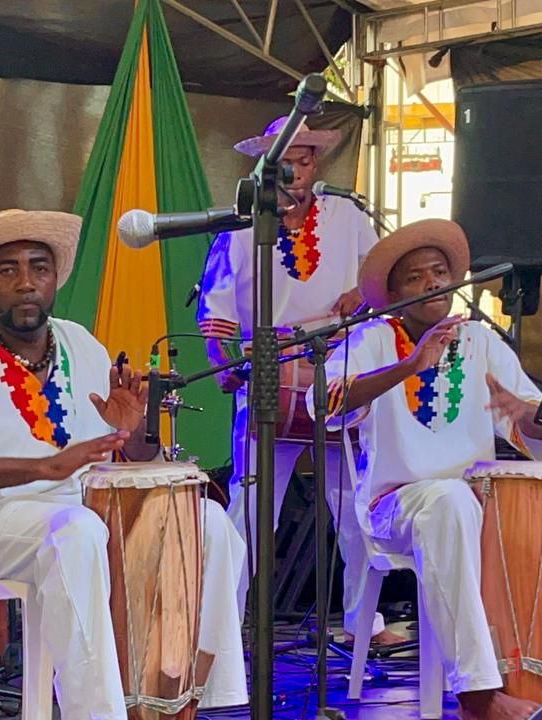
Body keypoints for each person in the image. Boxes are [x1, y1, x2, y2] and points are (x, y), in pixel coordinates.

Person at [0, 209, 248, 719]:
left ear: (54, 277)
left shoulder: (79, 343)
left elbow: (128, 459)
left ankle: (194, 700)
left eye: (39, 268)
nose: (26, 283)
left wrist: (133, 431)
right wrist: (44, 468)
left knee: (209, 523)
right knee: (77, 532)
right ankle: (98, 712)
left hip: (92, 513)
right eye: (8, 270)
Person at [320, 219, 542, 720]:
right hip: (396, 504)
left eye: (440, 271)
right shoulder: (369, 339)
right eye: (416, 276)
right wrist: (409, 366)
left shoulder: (480, 341)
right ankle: (479, 693)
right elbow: (324, 403)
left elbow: (533, 424)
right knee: (450, 502)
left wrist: (531, 419)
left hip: (480, 504)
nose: (434, 282)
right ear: (391, 293)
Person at [196, 116, 399, 644]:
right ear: (266, 166)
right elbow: (216, 313)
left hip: (340, 370)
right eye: (288, 161)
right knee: (252, 506)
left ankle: (362, 623)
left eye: (307, 159)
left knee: (355, 503)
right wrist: (228, 364)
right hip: (270, 370)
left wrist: (365, 296)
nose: (298, 170)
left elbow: (382, 281)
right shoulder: (240, 228)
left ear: (318, 164)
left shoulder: (349, 216)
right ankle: (222, 628)